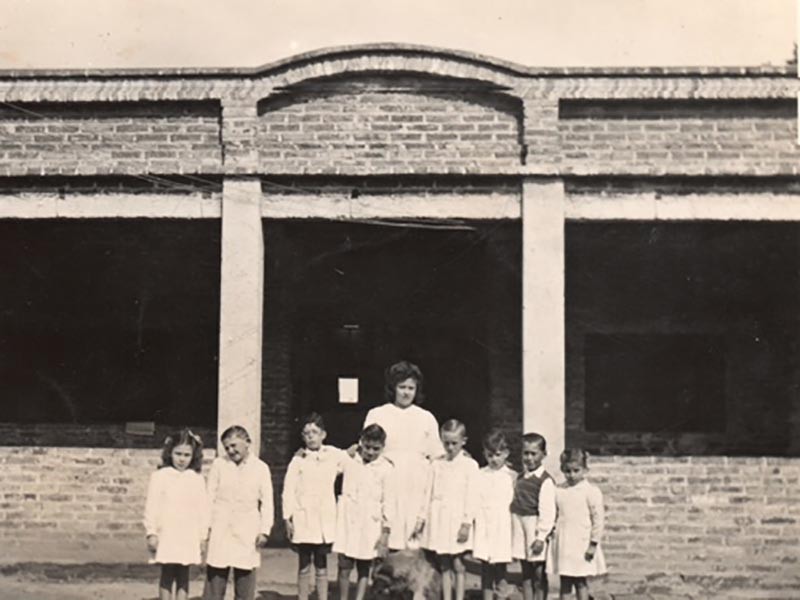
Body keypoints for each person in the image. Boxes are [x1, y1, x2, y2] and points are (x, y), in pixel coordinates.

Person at [363, 360, 442, 550]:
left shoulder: (426, 417)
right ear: (393, 388)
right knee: (385, 536)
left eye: (411, 388)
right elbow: (365, 449)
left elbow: (437, 455)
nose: (406, 393)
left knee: (413, 539)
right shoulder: (377, 414)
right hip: (387, 482)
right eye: (402, 387)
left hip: (416, 484)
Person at [203, 425, 273, 600]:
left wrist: (264, 530)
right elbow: (209, 497)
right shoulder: (219, 465)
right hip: (221, 525)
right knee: (216, 574)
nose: (230, 451)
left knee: (245, 575)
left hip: (247, 527)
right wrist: (206, 528)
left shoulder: (260, 468)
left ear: (247, 442)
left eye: (234, 445)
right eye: (227, 447)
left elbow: (267, 502)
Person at [283, 413, 345, 600]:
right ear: (302, 437)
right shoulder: (298, 461)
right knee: (304, 563)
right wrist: (287, 518)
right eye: (307, 433)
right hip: (304, 517)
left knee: (321, 562)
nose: (311, 437)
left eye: (315, 432)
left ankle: (321, 597)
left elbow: (350, 459)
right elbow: (288, 490)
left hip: (324, 518)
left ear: (323, 435)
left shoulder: (332, 455)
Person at [143, 428, 210, 600]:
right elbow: (152, 506)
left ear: (193, 456)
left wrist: (203, 537)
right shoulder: (160, 476)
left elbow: (203, 510)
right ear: (170, 453)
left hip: (188, 533)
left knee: (183, 573)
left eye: (187, 455)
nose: (182, 459)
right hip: (167, 531)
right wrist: (152, 532)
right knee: (167, 572)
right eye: (178, 454)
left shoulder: (196, 479)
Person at [416, 419, 478, 600]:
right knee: (444, 564)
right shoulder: (436, 464)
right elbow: (427, 492)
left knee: (458, 564)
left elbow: (471, 496)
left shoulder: (469, 465)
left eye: (454, 443)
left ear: (463, 441)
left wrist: (466, 523)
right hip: (439, 519)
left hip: (457, 519)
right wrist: (421, 519)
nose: (450, 447)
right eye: (446, 443)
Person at [334, 424, 393, 600]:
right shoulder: (349, 460)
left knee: (364, 566)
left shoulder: (386, 468)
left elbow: (389, 501)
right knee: (344, 566)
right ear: (361, 442)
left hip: (370, 523)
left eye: (376, 449)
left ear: (383, 447)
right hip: (349, 520)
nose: (371, 452)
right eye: (367, 447)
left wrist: (385, 532)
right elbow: (328, 467)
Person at [548, 449, 607, 600]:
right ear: (562, 469)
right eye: (567, 471)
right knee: (565, 581)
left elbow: (598, 519)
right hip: (564, 542)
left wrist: (593, 544)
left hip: (582, 543)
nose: (572, 475)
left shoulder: (590, 491)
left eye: (576, 470)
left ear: (585, 470)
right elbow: (553, 514)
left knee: (580, 581)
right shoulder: (559, 490)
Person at [510, 433, 556, 600]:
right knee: (526, 573)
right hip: (520, 527)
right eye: (526, 453)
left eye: (533, 454)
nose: (529, 458)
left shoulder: (545, 481)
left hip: (534, 528)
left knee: (538, 573)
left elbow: (548, 512)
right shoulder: (520, 478)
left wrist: (541, 537)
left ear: (543, 454)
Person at [473, 429, 516, 600]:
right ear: (484, 453)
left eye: (498, 455)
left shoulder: (511, 476)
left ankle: (501, 595)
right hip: (484, 523)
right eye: (490, 455)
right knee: (486, 567)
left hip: (502, 524)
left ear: (506, 453)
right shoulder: (480, 474)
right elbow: (476, 499)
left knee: (500, 565)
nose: (494, 459)